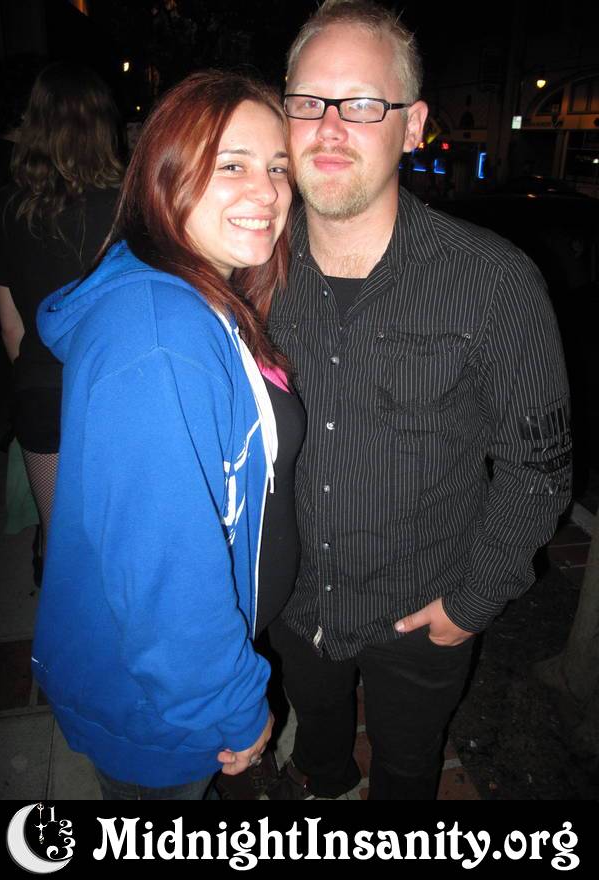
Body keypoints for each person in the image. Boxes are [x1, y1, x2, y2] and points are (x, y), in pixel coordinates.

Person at [267, 0, 572, 801]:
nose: (331, 127)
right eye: (309, 101)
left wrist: (471, 604)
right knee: (318, 745)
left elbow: (539, 468)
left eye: (364, 103)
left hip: (422, 612)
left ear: (413, 126)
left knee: (406, 771)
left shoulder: (494, 282)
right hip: (293, 601)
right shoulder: (251, 267)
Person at [31, 70, 301, 800]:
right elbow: (163, 569)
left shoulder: (192, 294)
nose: (268, 191)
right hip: (162, 701)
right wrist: (232, 707)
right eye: (233, 165)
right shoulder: (160, 337)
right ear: (165, 173)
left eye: (278, 167)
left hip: (166, 685)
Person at [0, 62, 122, 564]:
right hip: (112, 393)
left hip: (42, 392)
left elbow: (11, 323)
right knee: (114, 535)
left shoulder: (8, 208)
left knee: (59, 540)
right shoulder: (126, 206)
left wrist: (33, 377)